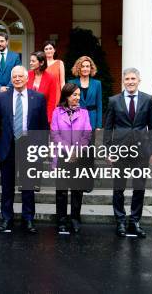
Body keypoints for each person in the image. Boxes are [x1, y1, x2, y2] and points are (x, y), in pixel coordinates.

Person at [0, 66, 49, 234]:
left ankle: (28, 219)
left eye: (20, 76)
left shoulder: (38, 98)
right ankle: (7, 218)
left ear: (26, 78)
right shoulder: (2, 97)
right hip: (7, 146)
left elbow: (43, 125)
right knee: (7, 186)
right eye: (14, 77)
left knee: (28, 186)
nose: (17, 79)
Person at [104, 67, 152, 238]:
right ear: (123, 81)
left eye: (133, 78)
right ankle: (120, 221)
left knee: (139, 188)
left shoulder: (148, 100)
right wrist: (107, 150)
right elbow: (108, 128)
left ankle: (135, 221)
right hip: (119, 150)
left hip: (142, 151)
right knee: (119, 188)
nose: (130, 82)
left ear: (138, 80)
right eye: (127, 79)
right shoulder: (114, 101)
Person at [50, 83, 92, 234]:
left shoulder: (84, 113)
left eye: (79, 95)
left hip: (78, 157)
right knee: (61, 191)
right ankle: (61, 220)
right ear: (67, 96)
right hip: (62, 156)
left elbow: (87, 134)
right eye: (74, 95)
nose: (77, 98)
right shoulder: (57, 112)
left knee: (77, 191)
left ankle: (75, 219)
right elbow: (55, 134)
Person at [68, 56, 102, 130]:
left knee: (91, 141)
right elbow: (68, 103)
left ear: (91, 68)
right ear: (79, 68)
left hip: (92, 119)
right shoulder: (71, 83)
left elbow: (99, 105)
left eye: (87, 66)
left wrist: (99, 125)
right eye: (82, 66)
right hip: (76, 118)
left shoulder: (97, 84)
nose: (85, 69)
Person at [27, 51, 57, 123]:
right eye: (30, 61)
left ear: (42, 63)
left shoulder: (51, 78)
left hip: (42, 116)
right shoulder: (27, 75)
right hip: (27, 115)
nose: (30, 63)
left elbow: (52, 102)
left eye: (33, 61)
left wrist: (48, 119)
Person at [43, 40, 65, 107]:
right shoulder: (41, 64)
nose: (48, 51)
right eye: (46, 49)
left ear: (54, 50)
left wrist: (64, 96)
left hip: (56, 93)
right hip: (43, 93)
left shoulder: (59, 63)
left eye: (50, 48)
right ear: (44, 51)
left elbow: (62, 82)